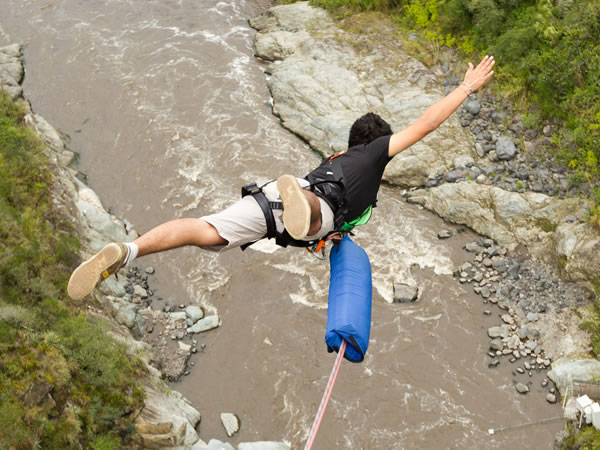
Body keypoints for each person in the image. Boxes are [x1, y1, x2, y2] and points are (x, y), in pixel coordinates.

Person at [67, 56, 495, 300]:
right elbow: (424, 126)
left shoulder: (339, 156)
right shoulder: (372, 156)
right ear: (376, 144)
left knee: (205, 230)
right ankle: (302, 207)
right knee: (315, 213)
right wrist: (465, 88)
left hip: (272, 197)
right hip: (312, 208)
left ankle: (129, 249)